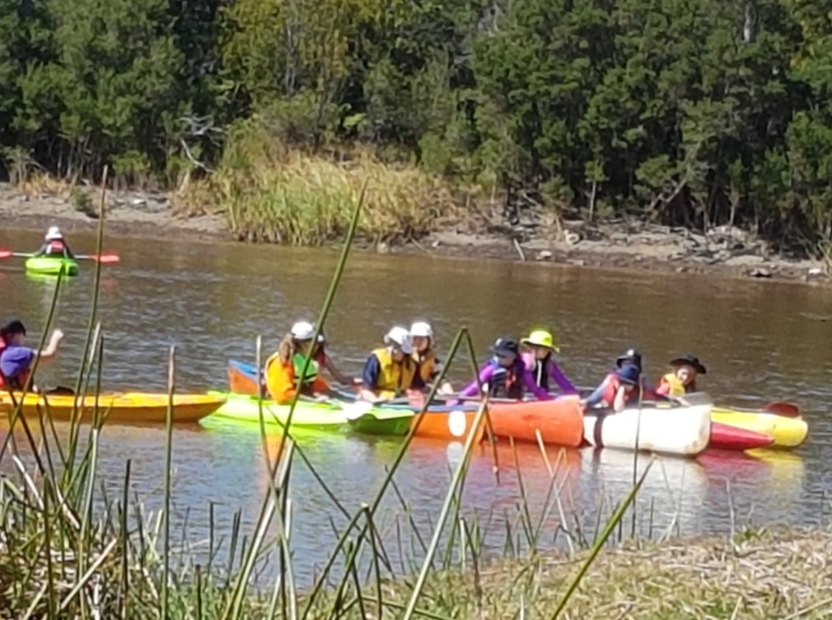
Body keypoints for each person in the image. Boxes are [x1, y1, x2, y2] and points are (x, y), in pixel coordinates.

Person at [458, 336, 552, 401]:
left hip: (515, 405)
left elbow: (535, 389)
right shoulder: (491, 370)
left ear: (514, 357)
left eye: (503, 356)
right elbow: (474, 388)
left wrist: (549, 401)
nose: (499, 358)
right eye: (497, 355)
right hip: (494, 405)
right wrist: (459, 399)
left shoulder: (522, 371)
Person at [265, 321, 335, 405]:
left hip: (303, 402)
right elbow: (283, 395)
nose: (317, 346)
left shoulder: (307, 361)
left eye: (317, 343)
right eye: (313, 342)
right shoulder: (283, 363)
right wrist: (313, 401)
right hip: (282, 405)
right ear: (299, 344)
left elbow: (317, 386)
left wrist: (334, 395)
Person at [0, 320, 64, 391]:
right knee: (65, 392)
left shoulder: (3, 351)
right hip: (15, 398)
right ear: (17, 334)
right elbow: (49, 354)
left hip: (4, 393)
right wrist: (56, 337)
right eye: (24, 334)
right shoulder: (19, 353)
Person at [359, 326, 418, 402]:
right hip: (379, 400)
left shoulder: (412, 364)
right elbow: (365, 389)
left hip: (401, 401)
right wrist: (375, 400)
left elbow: (418, 387)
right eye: (391, 345)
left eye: (397, 347)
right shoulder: (376, 359)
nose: (392, 350)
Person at [520, 329, 578, 395]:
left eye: (546, 349)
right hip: (525, 396)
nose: (546, 351)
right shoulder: (524, 363)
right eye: (534, 347)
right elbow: (530, 383)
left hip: (541, 397)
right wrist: (545, 397)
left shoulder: (549, 365)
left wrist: (575, 395)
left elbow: (562, 381)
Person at [409, 321, 453, 394]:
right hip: (405, 391)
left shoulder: (432, 360)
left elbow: (440, 377)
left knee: (441, 391)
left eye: (422, 339)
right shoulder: (405, 357)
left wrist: (448, 390)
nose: (419, 342)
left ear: (428, 341)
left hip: (421, 390)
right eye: (416, 338)